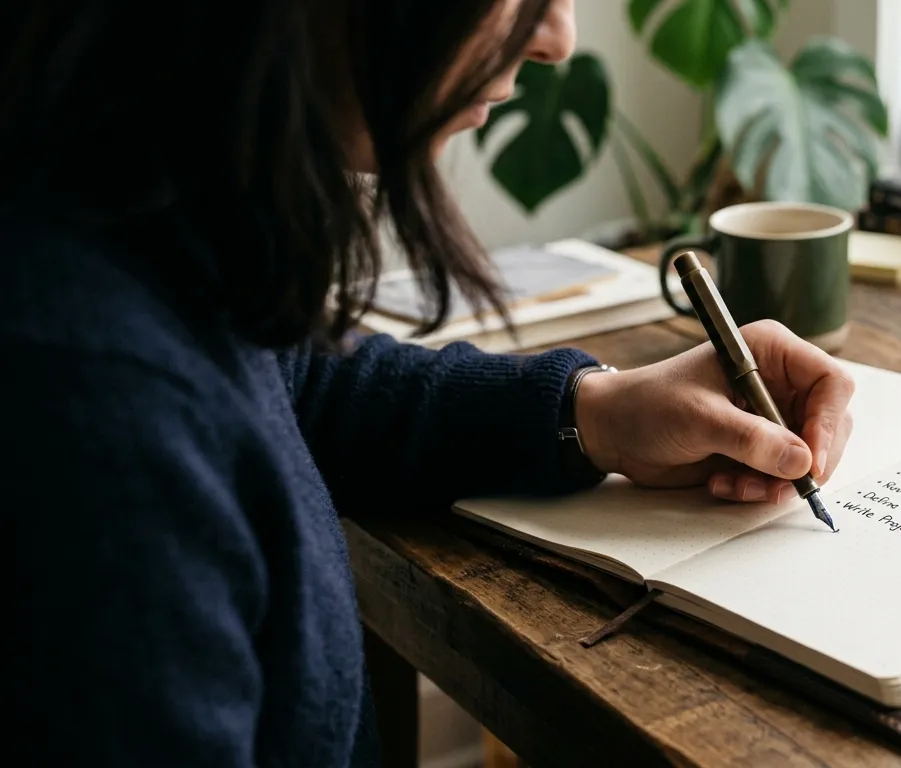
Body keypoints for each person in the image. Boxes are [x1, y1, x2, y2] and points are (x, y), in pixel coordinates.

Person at [3, 0, 856, 765]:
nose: (558, 38)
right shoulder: (86, 415)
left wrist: (592, 411)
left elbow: (299, 379)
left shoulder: (133, 197)